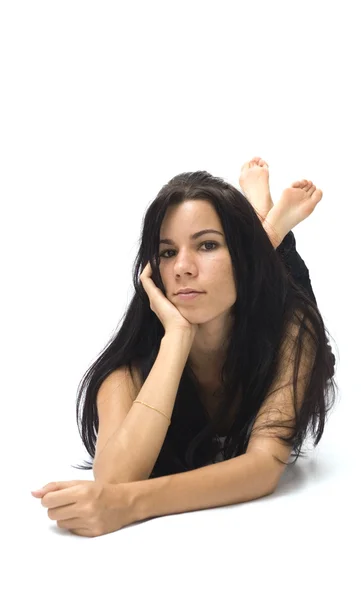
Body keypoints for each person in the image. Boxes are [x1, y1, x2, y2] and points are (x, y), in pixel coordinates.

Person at [74, 157, 337, 483]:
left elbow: (263, 470)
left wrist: (132, 505)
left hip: (269, 297)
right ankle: (262, 228)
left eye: (207, 245)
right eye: (167, 253)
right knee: (254, 267)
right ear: (152, 275)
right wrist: (177, 337)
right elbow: (113, 482)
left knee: (283, 288)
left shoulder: (290, 330)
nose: (182, 267)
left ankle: (265, 226)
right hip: (244, 274)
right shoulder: (126, 367)